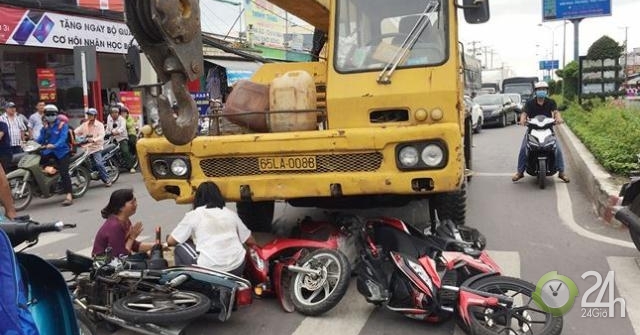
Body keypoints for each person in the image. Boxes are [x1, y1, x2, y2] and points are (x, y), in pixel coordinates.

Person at [166, 182, 256, 276]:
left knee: (180, 247)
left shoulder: (194, 215)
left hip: (210, 268)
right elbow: (250, 241)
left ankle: (185, 281)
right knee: (242, 247)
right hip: (237, 267)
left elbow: (171, 241)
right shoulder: (230, 213)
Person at [512, 81, 570, 183]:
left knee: (558, 149)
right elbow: (524, 113)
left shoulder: (551, 102)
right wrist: (522, 120)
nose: (541, 91)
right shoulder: (530, 103)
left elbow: (556, 112)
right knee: (523, 148)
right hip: (532, 130)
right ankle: (520, 172)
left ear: (546, 91)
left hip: (548, 130)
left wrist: (559, 119)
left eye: (543, 89)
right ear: (536, 91)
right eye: (539, 89)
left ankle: (561, 172)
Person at [92, 188, 154, 257]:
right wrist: (132, 237)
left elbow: (133, 245)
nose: (136, 204)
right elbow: (121, 256)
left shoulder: (126, 221)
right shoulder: (114, 226)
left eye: (135, 201)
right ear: (121, 207)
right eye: (132, 202)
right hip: (105, 264)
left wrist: (158, 246)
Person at [36, 104, 74, 206]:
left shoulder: (62, 125)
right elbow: (40, 138)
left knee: (64, 173)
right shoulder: (45, 127)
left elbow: (63, 138)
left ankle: (69, 196)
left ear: (56, 114)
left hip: (62, 152)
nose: (50, 116)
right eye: (48, 114)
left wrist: (55, 145)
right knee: (38, 164)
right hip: (49, 152)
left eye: (52, 114)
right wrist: (30, 143)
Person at [74, 108, 112, 187]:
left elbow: (102, 135)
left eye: (91, 115)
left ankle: (107, 179)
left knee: (99, 164)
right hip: (85, 148)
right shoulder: (84, 125)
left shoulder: (99, 125)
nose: (89, 116)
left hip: (96, 147)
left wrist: (94, 140)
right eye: (88, 115)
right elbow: (76, 132)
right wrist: (70, 135)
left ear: (95, 116)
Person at [107, 105, 135, 173]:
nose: (114, 114)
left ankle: (131, 166)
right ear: (110, 114)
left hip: (122, 138)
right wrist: (106, 133)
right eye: (113, 113)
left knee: (125, 151)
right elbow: (108, 127)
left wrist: (117, 132)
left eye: (116, 112)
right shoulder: (109, 118)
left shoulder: (122, 119)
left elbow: (122, 128)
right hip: (112, 138)